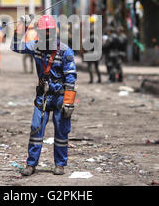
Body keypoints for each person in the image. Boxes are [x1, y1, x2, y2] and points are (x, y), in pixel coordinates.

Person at [11, 15, 77, 176]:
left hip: (61, 97)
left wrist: (68, 102)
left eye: (49, 33)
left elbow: (71, 78)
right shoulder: (36, 47)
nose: (47, 37)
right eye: (44, 33)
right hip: (43, 96)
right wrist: (23, 25)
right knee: (36, 129)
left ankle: (60, 164)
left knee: (61, 132)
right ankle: (31, 164)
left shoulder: (65, 51)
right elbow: (15, 46)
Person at [83, 15, 101, 84]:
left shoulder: (88, 39)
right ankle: (99, 79)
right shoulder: (97, 38)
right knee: (96, 67)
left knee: (90, 68)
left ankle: (91, 80)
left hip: (90, 54)